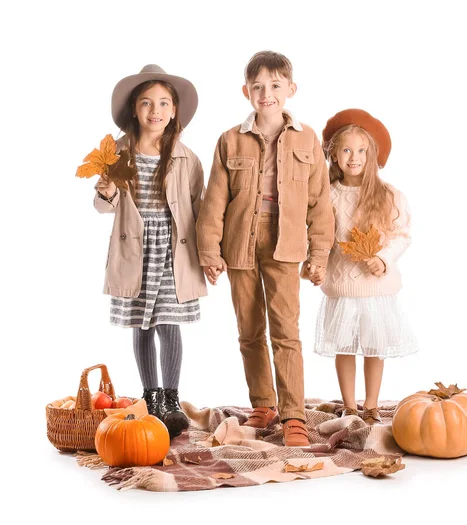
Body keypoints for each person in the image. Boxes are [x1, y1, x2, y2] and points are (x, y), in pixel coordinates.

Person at [196, 51, 334, 446]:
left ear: (291, 89)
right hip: (239, 241)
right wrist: (210, 251)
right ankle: (263, 403)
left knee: (286, 330)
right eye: (257, 86)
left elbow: (319, 203)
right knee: (249, 329)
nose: (266, 93)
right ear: (246, 92)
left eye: (275, 85)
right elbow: (214, 201)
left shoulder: (308, 139)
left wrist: (319, 255)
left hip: (286, 242)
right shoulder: (229, 139)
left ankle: (293, 414)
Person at [93, 64, 206, 437]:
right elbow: (103, 207)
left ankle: (171, 398)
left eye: (162, 103)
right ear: (135, 110)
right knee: (142, 324)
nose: (155, 110)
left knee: (168, 322)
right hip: (135, 248)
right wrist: (107, 189)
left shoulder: (187, 157)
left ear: (174, 110)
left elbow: (198, 208)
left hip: (174, 248)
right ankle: (150, 395)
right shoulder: (118, 152)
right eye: (146, 103)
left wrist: (210, 253)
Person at [314, 109, 418, 425]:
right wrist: (315, 262)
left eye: (362, 151)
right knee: (344, 347)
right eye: (346, 150)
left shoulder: (388, 195)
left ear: (373, 155)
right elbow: (317, 233)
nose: (354, 157)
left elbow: (402, 235)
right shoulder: (326, 194)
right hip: (343, 287)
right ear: (333, 154)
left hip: (375, 289)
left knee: (374, 347)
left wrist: (383, 258)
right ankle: (349, 404)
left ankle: (370, 404)